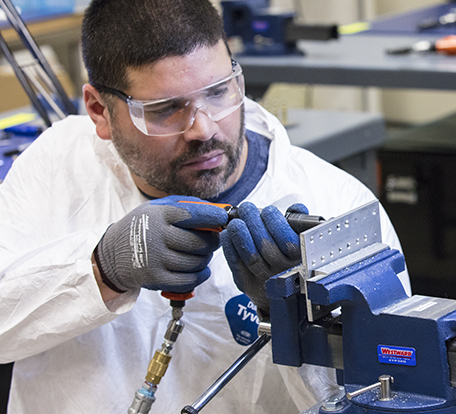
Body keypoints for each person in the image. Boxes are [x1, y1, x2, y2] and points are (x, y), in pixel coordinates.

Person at [0, 0, 410, 412]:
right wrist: (101, 268)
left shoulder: (336, 204)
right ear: (99, 111)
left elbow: (387, 391)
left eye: (218, 92)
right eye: (164, 109)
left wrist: (295, 320)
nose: (204, 127)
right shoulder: (55, 164)